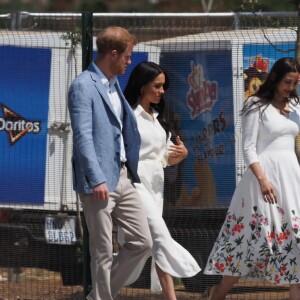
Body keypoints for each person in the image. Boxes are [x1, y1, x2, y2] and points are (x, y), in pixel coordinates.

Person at [202, 57, 300, 300]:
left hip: (291, 177)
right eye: (288, 81)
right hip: (263, 180)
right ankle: (218, 293)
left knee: (295, 242)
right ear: (275, 78)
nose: (291, 87)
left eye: (295, 82)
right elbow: (248, 148)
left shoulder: (296, 105)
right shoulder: (256, 105)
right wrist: (263, 180)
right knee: (249, 242)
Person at [68, 27, 152, 300]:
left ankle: (96, 296)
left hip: (123, 176)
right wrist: (96, 179)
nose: (130, 62)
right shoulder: (83, 85)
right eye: (127, 57)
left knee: (143, 242)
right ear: (113, 54)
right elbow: (82, 137)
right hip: (98, 182)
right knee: (102, 251)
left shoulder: (113, 82)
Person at [123, 61, 201, 300]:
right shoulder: (128, 115)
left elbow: (166, 157)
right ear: (142, 86)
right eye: (157, 86)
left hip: (156, 185)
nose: (162, 91)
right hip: (134, 182)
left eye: (163, 86)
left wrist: (183, 154)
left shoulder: (158, 118)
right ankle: (185, 274)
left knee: (151, 242)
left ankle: (107, 284)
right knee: (159, 235)